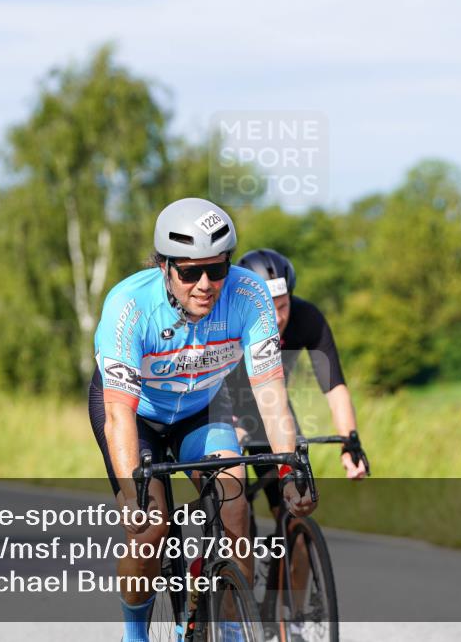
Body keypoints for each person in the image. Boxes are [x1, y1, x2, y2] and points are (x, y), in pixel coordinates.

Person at [89, 198, 316, 642]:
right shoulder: (129, 307)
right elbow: (118, 414)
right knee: (150, 526)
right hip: (137, 416)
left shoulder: (249, 296)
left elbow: (271, 396)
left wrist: (289, 469)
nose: (206, 284)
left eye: (217, 269)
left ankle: (231, 627)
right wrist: (133, 494)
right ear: (164, 266)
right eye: (190, 272)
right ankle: (135, 633)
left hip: (199, 410)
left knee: (235, 506)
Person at [225, 248, 366, 519]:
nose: (277, 318)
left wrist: (350, 442)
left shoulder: (306, 318)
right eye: (268, 307)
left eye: (283, 305)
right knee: (235, 512)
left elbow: (334, 386)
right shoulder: (230, 319)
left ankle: (293, 548)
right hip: (227, 407)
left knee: (295, 513)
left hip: (273, 407)